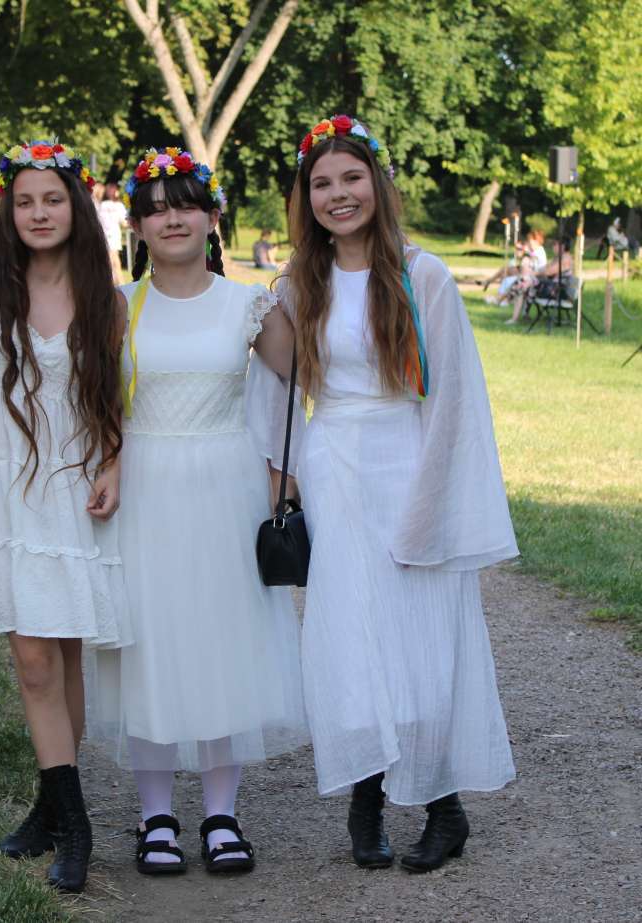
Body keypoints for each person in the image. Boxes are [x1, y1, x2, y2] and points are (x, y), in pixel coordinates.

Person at [276, 114, 516, 873]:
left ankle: (444, 808)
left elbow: (453, 399)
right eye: (322, 183)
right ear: (306, 197)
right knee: (350, 636)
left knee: (423, 637)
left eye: (351, 178)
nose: (338, 194)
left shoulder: (423, 274)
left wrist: (431, 509)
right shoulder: (299, 283)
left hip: (406, 461)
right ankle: (366, 796)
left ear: (377, 184)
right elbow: (279, 384)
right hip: (334, 466)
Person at [89, 146, 307, 877]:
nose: (172, 219)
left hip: (224, 481)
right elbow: (97, 401)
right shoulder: (118, 306)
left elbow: (296, 382)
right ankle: (155, 814)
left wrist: (283, 476)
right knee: (148, 641)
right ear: (137, 227)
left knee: (220, 638)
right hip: (144, 486)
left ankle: (221, 814)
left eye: (186, 204)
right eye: (155, 210)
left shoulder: (248, 304)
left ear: (213, 216)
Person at [0, 140, 129, 894]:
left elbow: (118, 395)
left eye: (52, 199)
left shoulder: (105, 293)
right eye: (24, 201)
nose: (39, 213)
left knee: (67, 653)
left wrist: (115, 461)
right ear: (8, 211)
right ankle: (75, 825)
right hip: (7, 482)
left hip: (74, 484)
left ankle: (52, 807)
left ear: (75, 205)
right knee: (31, 658)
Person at [505, 236, 575, 324]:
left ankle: (513, 312)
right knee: (524, 281)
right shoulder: (559, 257)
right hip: (552, 287)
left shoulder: (565, 259)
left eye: (555, 244)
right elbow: (545, 269)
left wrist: (533, 273)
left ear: (563, 246)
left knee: (523, 284)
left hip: (556, 291)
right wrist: (533, 273)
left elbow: (548, 272)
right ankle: (519, 311)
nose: (553, 246)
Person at [97, 182, 127, 283]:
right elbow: (124, 223)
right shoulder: (115, 205)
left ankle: (116, 283)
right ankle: (118, 283)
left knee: (112, 259)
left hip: (109, 235)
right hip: (110, 235)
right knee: (113, 260)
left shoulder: (103, 205)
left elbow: (124, 222)